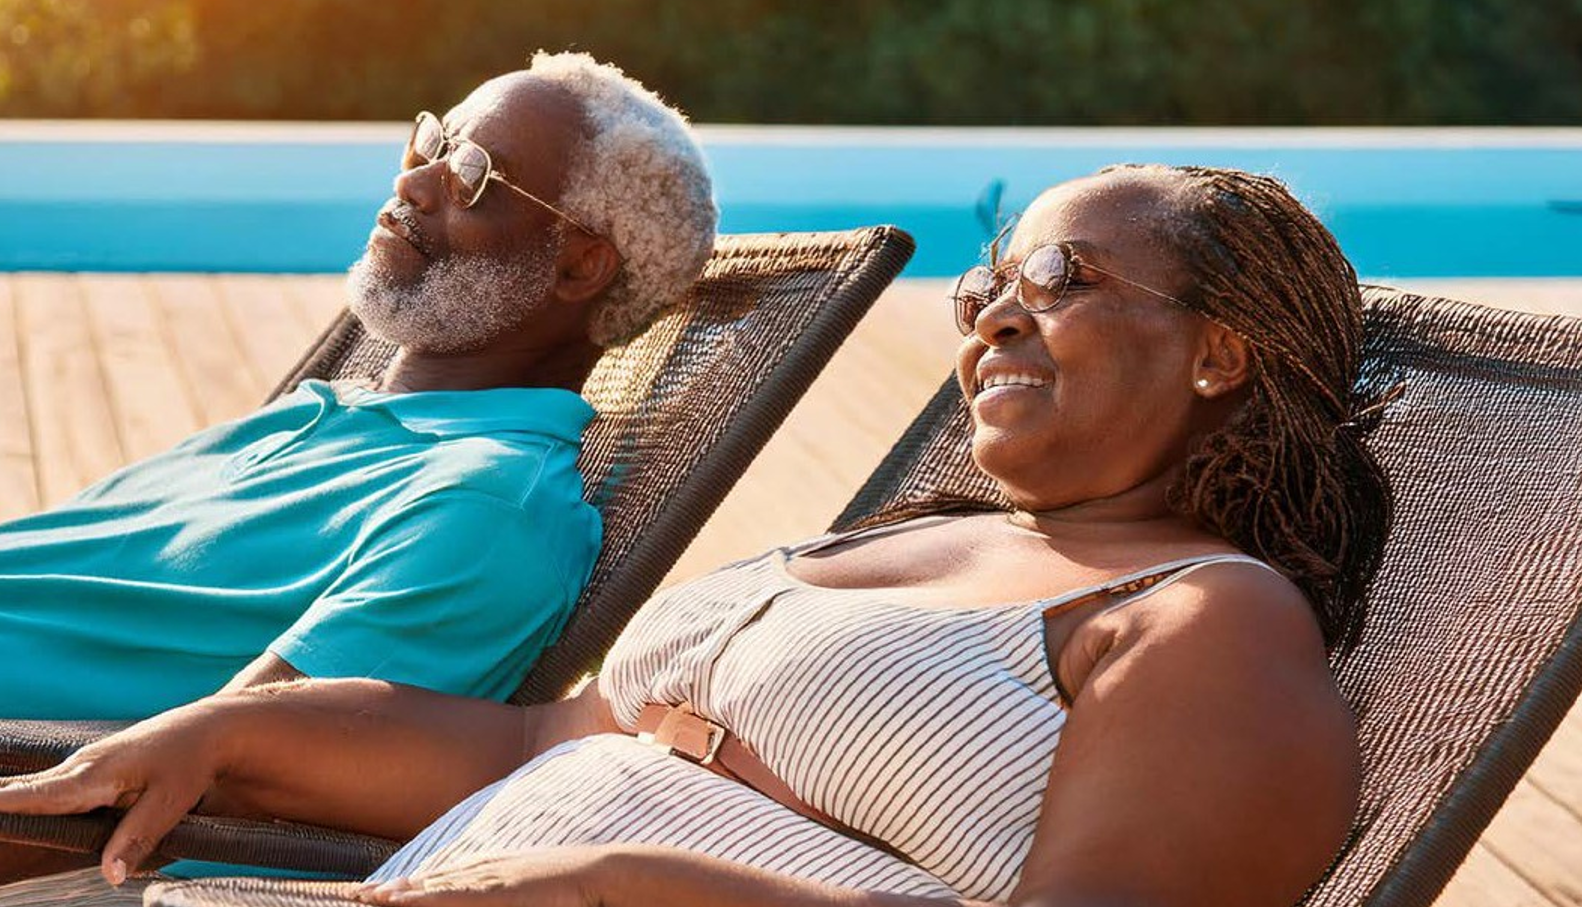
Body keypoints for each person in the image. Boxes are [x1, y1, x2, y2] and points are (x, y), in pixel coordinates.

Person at [0, 163, 1391, 907]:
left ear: (1217, 352)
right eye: (986, 279)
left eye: (1055, 276)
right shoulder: (912, 542)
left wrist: (632, 883)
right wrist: (218, 735)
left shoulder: (1204, 621)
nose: (992, 313)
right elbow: (537, 744)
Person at [0, 51, 718, 721]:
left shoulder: (483, 509)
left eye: (472, 175)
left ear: (579, 268)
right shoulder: (337, 411)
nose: (412, 182)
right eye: (430, 144)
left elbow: (200, 775)